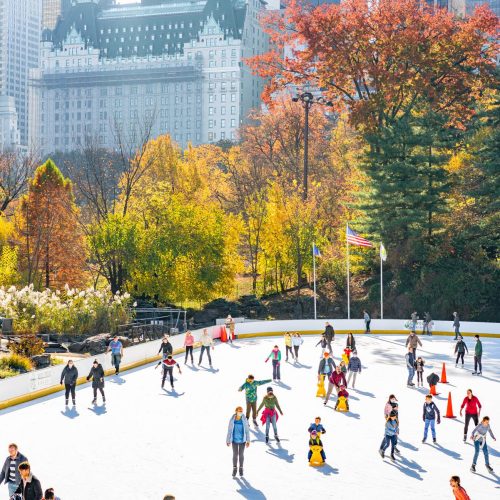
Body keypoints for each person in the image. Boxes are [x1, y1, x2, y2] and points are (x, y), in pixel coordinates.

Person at [226, 406, 250, 477]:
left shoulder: (244, 419)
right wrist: (228, 440)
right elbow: (229, 430)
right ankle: (234, 468)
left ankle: (241, 468)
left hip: (242, 440)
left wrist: (248, 440)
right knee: (235, 455)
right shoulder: (232, 419)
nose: (240, 412)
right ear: (236, 411)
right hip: (234, 440)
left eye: (241, 411)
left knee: (241, 454)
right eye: (239, 411)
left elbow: (247, 430)